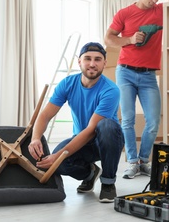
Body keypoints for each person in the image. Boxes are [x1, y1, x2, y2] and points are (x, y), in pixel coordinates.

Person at [104, 0, 169, 179]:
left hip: (149, 75)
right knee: (128, 119)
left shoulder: (161, 11)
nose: (155, 1)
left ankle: (144, 161)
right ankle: (132, 162)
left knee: (153, 122)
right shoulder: (125, 13)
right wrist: (130, 39)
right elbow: (108, 38)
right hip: (125, 72)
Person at [28, 42, 124, 203]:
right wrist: (35, 138)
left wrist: (57, 155)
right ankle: (90, 174)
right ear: (79, 61)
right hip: (82, 139)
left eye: (98, 59)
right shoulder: (67, 84)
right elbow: (45, 115)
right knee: (58, 164)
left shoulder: (111, 90)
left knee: (106, 126)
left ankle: (108, 183)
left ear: (104, 63)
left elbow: (92, 129)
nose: (92, 64)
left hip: (107, 140)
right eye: (87, 58)